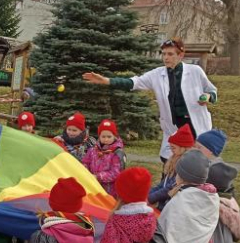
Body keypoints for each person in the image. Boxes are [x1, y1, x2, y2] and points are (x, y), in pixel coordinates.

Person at [83, 38, 217, 162]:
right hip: (174, 128)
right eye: (163, 54)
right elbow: (134, 82)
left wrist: (208, 96)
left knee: (197, 163)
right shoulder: (157, 74)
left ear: (180, 55)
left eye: (170, 54)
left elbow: (212, 90)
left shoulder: (195, 71)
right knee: (169, 161)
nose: (165, 57)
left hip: (195, 126)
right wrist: (107, 81)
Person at [148, 124, 196, 211]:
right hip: (164, 205)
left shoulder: (186, 165)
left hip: (172, 208)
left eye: (173, 147)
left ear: (183, 147)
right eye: (170, 147)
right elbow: (162, 185)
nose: (171, 150)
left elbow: (170, 187)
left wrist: (150, 198)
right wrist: (145, 194)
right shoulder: (173, 160)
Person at [82, 119, 126, 197]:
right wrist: (85, 169)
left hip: (110, 191)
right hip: (94, 187)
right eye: (103, 136)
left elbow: (115, 173)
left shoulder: (117, 153)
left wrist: (98, 176)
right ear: (99, 136)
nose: (106, 139)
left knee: (106, 208)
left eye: (109, 136)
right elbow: (86, 162)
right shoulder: (92, 150)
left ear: (114, 136)